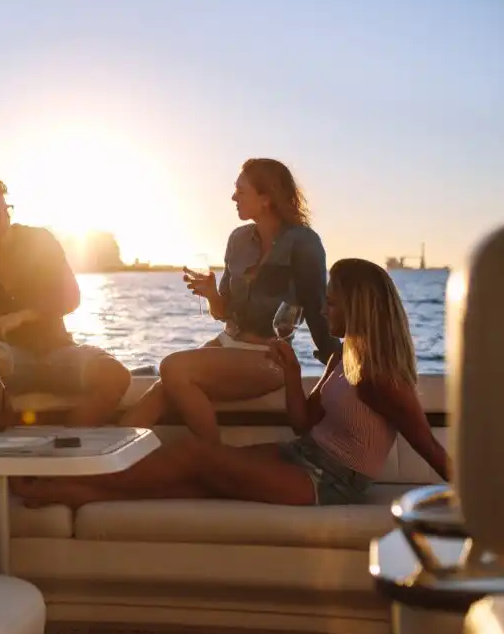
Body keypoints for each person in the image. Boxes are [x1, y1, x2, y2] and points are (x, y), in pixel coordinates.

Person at [13, 258, 451, 508]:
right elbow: (303, 423)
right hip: (301, 455)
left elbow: (428, 447)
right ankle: (75, 493)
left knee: (195, 456)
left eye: (333, 302)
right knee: (197, 479)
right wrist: (295, 373)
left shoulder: (381, 379)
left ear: (359, 307)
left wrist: (480, 509)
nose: (325, 308)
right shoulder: (343, 356)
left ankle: (61, 488)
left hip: (329, 483)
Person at [120, 158, 341, 441]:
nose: (233, 197)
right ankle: (107, 460)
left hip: (269, 358)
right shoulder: (238, 239)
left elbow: (317, 313)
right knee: (163, 388)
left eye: (241, 191)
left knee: (172, 367)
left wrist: (343, 364)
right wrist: (212, 293)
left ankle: (215, 460)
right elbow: (224, 312)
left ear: (266, 198)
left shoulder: (305, 243)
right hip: (227, 344)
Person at [0, 176, 132, 426]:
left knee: (115, 376)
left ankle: (72, 440)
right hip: (7, 361)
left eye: (6, 212)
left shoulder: (40, 240)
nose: (4, 222)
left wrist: (21, 316)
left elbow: (71, 297)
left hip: (60, 351)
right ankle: (2, 444)